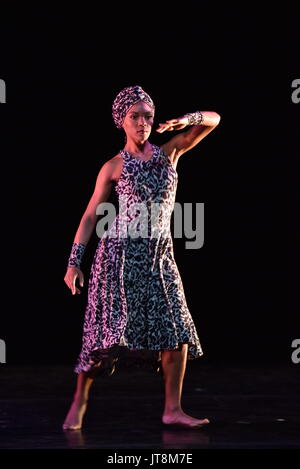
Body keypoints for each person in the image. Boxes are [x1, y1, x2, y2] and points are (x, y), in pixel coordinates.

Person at [62, 85, 220, 430]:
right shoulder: (114, 166)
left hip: (159, 257)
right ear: (121, 121)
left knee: (177, 328)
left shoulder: (170, 153)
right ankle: (80, 401)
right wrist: (74, 262)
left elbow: (214, 119)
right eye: (135, 116)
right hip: (118, 257)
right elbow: (91, 216)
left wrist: (186, 119)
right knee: (106, 339)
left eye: (148, 116)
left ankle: (172, 409)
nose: (143, 123)